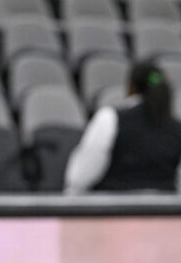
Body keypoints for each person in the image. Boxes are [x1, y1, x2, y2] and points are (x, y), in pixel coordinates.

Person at [65, 60, 181, 193]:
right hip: (163, 205)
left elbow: (80, 176)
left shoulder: (109, 118)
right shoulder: (177, 129)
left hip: (115, 203)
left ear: (131, 87)